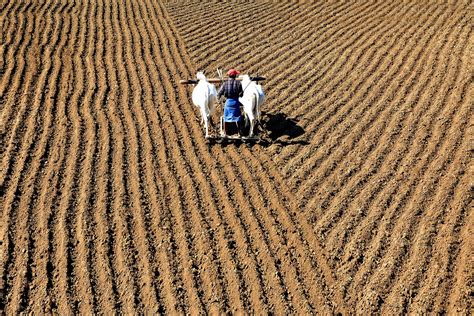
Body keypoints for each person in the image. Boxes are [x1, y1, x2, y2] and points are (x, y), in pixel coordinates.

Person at [218, 69, 243, 136]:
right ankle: (239, 132)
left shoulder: (225, 83)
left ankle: (225, 132)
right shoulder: (238, 83)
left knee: (226, 117)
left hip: (228, 102)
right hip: (235, 102)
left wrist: (218, 99)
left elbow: (219, 93)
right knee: (238, 116)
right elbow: (241, 94)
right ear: (235, 75)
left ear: (229, 75)